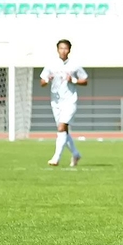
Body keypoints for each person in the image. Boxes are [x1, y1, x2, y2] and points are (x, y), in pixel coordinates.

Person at [41, 39, 88, 167]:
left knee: (61, 128)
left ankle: (56, 158)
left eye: (65, 48)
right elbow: (42, 82)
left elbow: (85, 80)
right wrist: (46, 79)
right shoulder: (51, 64)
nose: (63, 50)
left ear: (69, 50)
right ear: (57, 50)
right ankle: (76, 153)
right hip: (55, 101)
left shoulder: (75, 65)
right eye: (61, 48)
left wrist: (73, 80)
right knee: (63, 131)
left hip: (70, 100)